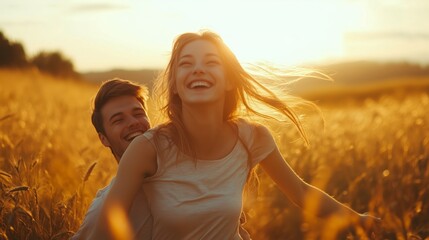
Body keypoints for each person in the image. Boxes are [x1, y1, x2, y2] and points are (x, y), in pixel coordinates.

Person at [92, 30, 380, 239]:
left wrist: (361, 221)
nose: (198, 69)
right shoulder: (149, 147)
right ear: (176, 85)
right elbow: (109, 221)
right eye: (186, 63)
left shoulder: (252, 137)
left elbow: (302, 193)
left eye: (211, 62)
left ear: (228, 79)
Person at [73, 78, 252, 239]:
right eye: (118, 120)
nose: (134, 122)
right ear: (103, 138)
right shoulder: (103, 210)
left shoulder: (196, 174)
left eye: (138, 114)